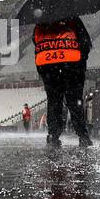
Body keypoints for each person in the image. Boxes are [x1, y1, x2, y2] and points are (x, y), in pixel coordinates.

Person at [32, 15, 92, 147]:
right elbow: (85, 44)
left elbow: (36, 44)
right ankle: (82, 135)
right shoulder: (73, 20)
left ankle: (53, 136)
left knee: (54, 102)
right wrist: (81, 61)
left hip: (48, 69)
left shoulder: (40, 24)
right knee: (75, 102)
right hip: (72, 67)